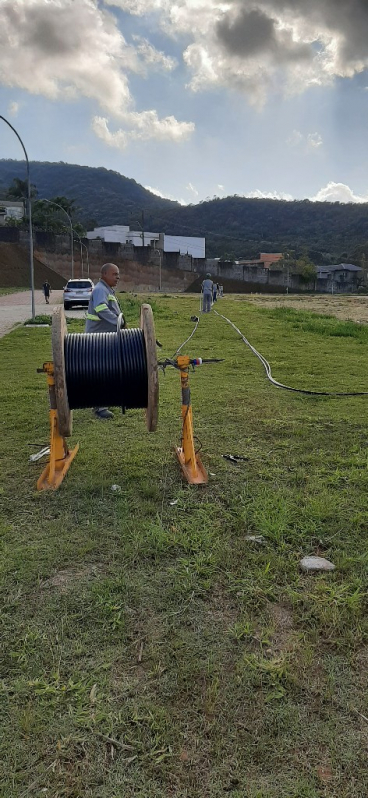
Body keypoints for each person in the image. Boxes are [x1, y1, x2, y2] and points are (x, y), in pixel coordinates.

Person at [85, 263, 125, 420]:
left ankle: (102, 402)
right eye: (114, 274)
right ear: (104, 275)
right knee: (102, 371)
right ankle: (100, 407)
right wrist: (118, 321)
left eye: (118, 274)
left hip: (104, 337)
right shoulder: (101, 290)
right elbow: (101, 309)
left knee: (105, 370)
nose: (118, 277)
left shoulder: (106, 290)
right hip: (98, 338)